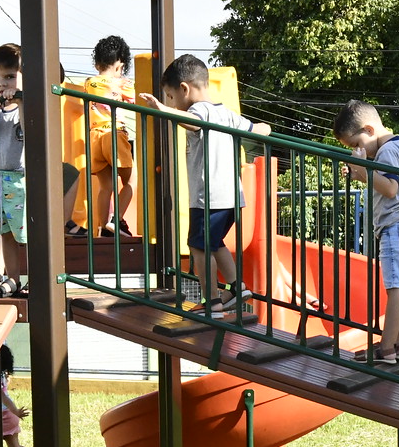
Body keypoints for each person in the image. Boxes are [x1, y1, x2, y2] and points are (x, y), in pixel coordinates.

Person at [143, 54, 269, 318]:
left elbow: (193, 122)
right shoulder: (227, 113)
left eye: (171, 96)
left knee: (198, 246)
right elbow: (259, 129)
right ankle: (237, 288)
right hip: (232, 198)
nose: (172, 103)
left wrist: (161, 110)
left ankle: (211, 302)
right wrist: (265, 129)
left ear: (184, 89)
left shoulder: (198, 110)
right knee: (213, 242)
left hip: (208, 197)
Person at [334, 101, 399, 366]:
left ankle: (385, 348)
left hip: (396, 224)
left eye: (356, 143)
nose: (357, 149)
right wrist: (362, 173)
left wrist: (365, 169)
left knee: (395, 288)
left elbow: (390, 189)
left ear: (369, 128)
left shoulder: (386, 152)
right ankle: (398, 345)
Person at [68, 35, 136, 237]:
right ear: (120, 65)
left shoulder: (90, 83)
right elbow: (131, 101)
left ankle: (102, 226)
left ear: (97, 63)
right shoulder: (123, 83)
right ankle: (116, 219)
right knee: (131, 181)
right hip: (114, 134)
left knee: (105, 186)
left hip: (94, 137)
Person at [0, 43, 29, 296]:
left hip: (22, 179)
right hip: (0, 179)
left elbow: (28, 131)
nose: (3, 83)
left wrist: (21, 101)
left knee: (26, 231)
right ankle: (13, 277)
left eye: (10, 76)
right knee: (6, 232)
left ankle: (36, 275)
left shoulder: (25, 107)